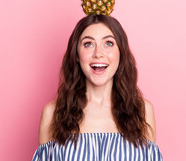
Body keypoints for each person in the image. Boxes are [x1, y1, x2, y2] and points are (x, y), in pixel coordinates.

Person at [32, 15, 163, 160]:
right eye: (88, 44)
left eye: (108, 43)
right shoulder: (53, 113)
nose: (98, 54)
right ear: (76, 54)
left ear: (121, 52)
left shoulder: (142, 111)